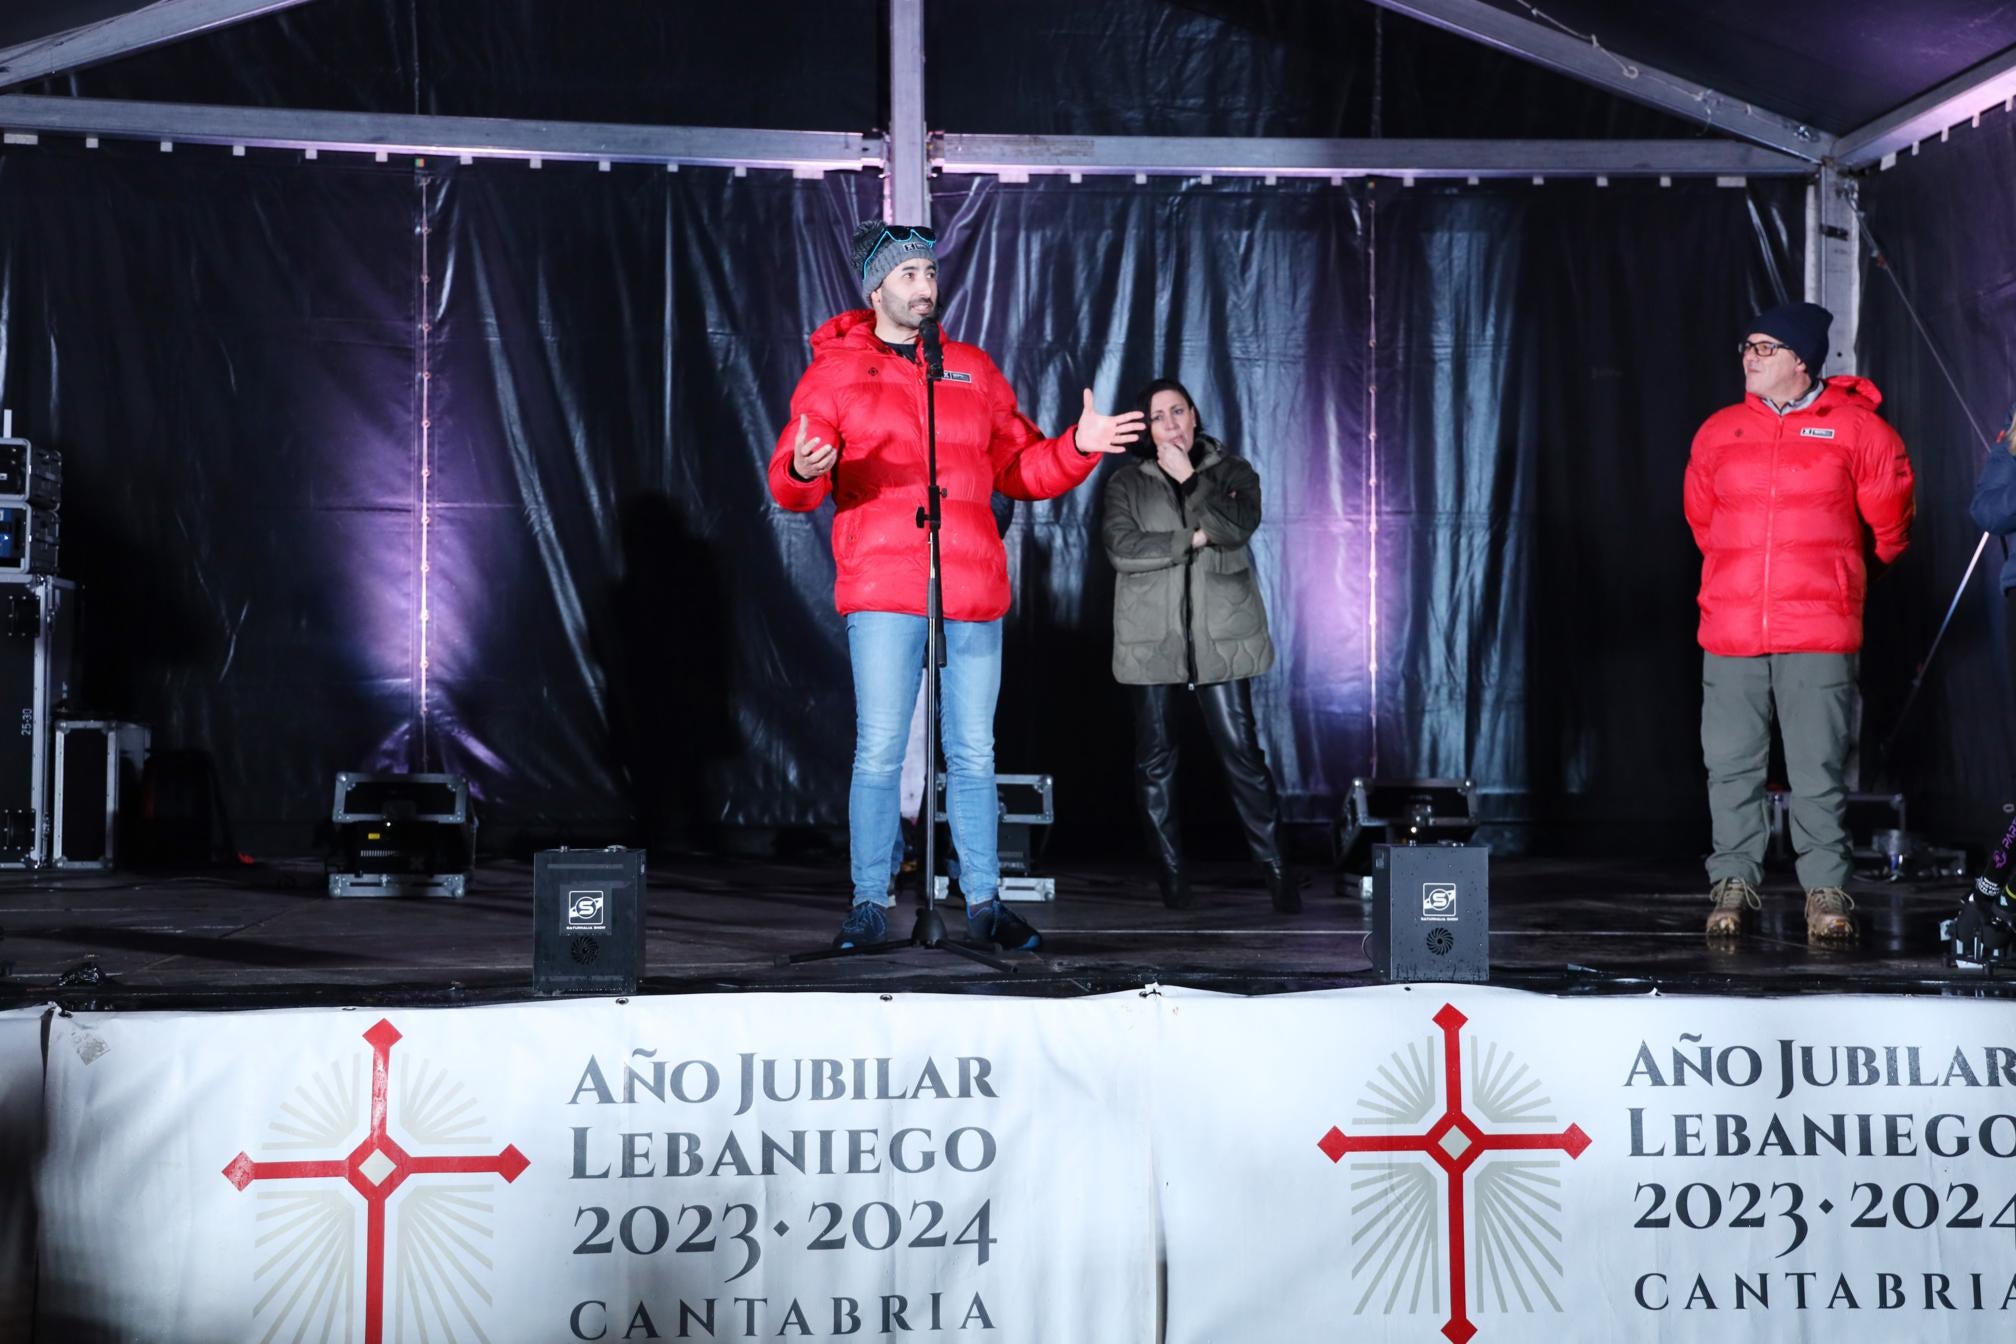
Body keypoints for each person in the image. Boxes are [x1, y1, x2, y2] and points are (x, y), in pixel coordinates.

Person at [768, 221, 1144, 950]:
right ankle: (869, 902)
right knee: (878, 749)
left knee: (974, 751)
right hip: (884, 587)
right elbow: (793, 477)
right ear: (876, 287)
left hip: (967, 588)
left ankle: (985, 904)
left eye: (930, 275)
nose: (924, 286)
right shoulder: (835, 372)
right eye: (908, 275)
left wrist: (1077, 447)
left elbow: (1023, 469)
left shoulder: (970, 369)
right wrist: (804, 471)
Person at [1684, 301, 1915, 942]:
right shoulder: (1718, 432)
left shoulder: (1859, 430)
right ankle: (1733, 883)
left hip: (1819, 629)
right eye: (1747, 345)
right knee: (1730, 766)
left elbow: (1891, 529)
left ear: (1801, 359)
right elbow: (1705, 524)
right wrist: (1743, 583)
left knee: (1818, 769)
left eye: (1765, 346)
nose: (1750, 357)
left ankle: (1826, 892)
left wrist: (1839, 581)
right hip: (1732, 629)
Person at [1101, 378, 1297, 913]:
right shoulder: (1126, 484)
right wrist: (1192, 538)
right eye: (1159, 416)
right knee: (1155, 762)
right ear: (1148, 428)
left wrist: (1194, 483)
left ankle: (1278, 871)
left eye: (1179, 412)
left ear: (1194, 415)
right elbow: (1123, 548)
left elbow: (1237, 524)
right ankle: (1171, 875)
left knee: (1242, 755)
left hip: (1223, 636)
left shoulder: (1233, 471)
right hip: (1152, 640)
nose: (1172, 425)